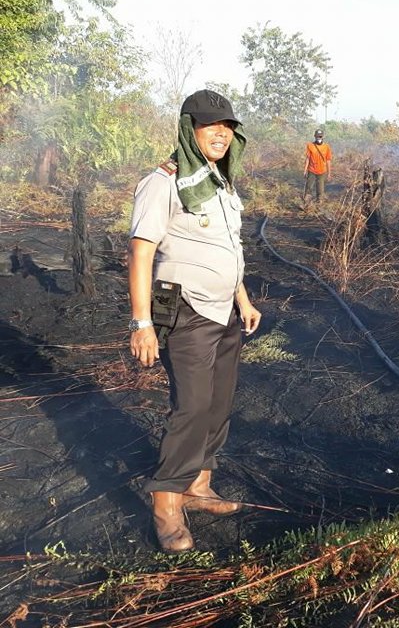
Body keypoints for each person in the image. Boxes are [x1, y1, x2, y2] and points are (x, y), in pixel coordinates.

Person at [128, 89, 262, 552]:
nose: (221, 133)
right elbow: (141, 251)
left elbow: (227, 248)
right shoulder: (163, 182)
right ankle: (166, 503)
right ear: (190, 130)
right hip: (186, 311)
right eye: (210, 126)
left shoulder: (220, 184)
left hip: (225, 310)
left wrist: (243, 300)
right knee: (192, 406)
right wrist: (140, 323)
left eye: (227, 126)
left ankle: (198, 486)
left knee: (219, 402)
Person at [303, 128, 332, 200]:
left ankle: (319, 205)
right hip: (311, 170)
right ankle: (306, 204)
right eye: (317, 136)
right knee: (308, 188)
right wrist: (305, 170)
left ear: (323, 137)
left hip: (322, 171)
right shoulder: (310, 145)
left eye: (320, 136)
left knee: (320, 190)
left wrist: (329, 173)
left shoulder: (326, 147)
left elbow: (328, 161)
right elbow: (308, 159)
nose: (319, 138)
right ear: (314, 136)